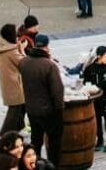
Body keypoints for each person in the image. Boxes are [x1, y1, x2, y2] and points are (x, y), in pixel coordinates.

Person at [20, 33, 64, 166]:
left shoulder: (23, 63)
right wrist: (59, 109)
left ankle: (35, 165)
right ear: (46, 47)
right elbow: (57, 91)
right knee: (54, 142)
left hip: (32, 110)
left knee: (36, 140)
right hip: (49, 111)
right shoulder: (49, 65)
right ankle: (52, 166)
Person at [83, 45, 106, 153]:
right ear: (99, 56)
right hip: (95, 99)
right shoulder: (90, 69)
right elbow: (86, 83)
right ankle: (100, 140)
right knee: (97, 121)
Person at [0, 23, 27, 135]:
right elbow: (24, 63)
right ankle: (5, 133)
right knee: (15, 110)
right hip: (15, 84)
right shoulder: (11, 51)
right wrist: (22, 49)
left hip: (8, 83)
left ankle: (18, 128)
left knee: (21, 107)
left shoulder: (2, 46)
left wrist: (17, 46)